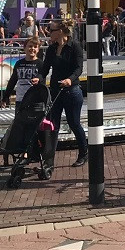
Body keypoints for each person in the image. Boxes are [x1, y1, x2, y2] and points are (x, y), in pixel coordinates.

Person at [40, 17, 86, 168]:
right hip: (55, 91)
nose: (48, 32)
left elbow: (78, 68)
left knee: (74, 123)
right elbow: (45, 68)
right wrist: (39, 78)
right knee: (53, 125)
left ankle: (83, 153)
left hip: (71, 91)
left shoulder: (75, 46)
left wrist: (70, 80)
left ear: (60, 31)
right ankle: (49, 161)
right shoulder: (52, 49)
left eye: (51, 30)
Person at [3, 38, 44, 106]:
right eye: (30, 46)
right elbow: (13, 80)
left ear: (38, 49)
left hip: (36, 100)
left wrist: (39, 79)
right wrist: (5, 97)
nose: (32, 48)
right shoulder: (19, 63)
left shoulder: (40, 63)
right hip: (21, 100)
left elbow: (43, 78)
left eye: (35, 47)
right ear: (24, 48)